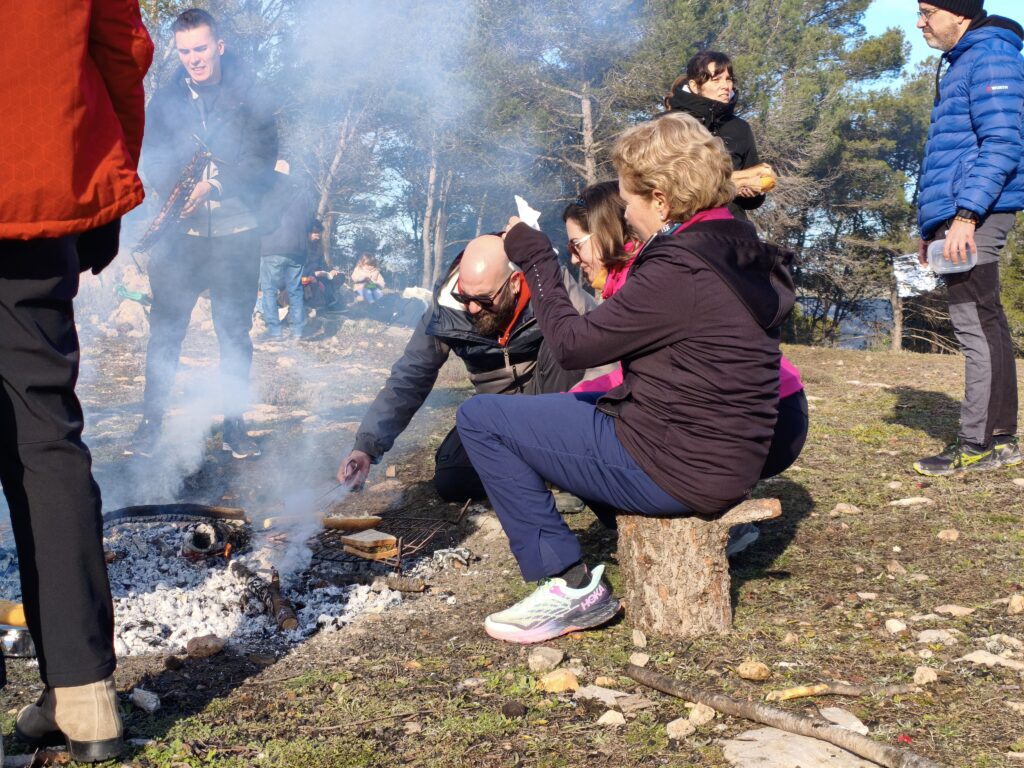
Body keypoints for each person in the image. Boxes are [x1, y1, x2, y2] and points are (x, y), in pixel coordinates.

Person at [455, 113, 795, 644]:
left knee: (481, 419)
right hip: (725, 455)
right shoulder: (734, 243)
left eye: (629, 198)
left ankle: (570, 588)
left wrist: (537, 258)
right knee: (576, 406)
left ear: (660, 200)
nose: (625, 212)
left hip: (679, 466)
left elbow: (572, 344)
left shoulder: (680, 269)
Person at [0, 2, 154, 761]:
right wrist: (107, 180)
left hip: (35, 194)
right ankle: (85, 696)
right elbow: (122, 47)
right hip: (32, 186)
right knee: (45, 440)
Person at [563, 181, 808, 555]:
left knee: (583, 430)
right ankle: (668, 526)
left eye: (576, 245)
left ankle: (696, 530)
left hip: (772, 417)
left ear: (608, 232)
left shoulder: (654, 276)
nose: (574, 259)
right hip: (777, 409)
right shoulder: (648, 271)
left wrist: (581, 397)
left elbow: (652, 373)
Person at [337, 234, 592, 502]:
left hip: (548, 398)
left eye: (482, 300)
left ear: (515, 284)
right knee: (453, 480)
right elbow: (410, 376)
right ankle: (536, 471)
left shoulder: (549, 286)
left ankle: (559, 466)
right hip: (496, 409)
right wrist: (366, 447)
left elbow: (603, 343)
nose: (470, 308)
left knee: (567, 341)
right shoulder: (447, 310)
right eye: (464, 295)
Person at [130, 8, 278, 460]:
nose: (194, 58)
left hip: (238, 232)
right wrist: (175, 191)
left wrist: (215, 184)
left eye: (201, 48)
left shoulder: (251, 94)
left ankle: (234, 426)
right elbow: (151, 155)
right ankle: (150, 425)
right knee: (165, 333)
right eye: (185, 51)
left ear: (219, 45)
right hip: (181, 235)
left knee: (233, 334)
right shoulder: (167, 100)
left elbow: (265, 159)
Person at [912, 0, 1024, 476]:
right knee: (988, 319)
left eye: (926, 11)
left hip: (976, 210)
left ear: (959, 14)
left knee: (972, 322)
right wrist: (931, 226)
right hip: (961, 211)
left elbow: (1004, 141)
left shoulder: (990, 56)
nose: (921, 23)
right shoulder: (969, 59)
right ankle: (1000, 440)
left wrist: (965, 215)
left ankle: (975, 443)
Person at [664, 51, 773, 220]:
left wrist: (756, 189)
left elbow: (752, 202)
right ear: (694, 85)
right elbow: (667, 185)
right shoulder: (669, 125)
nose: (726, 86)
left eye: (728, 79)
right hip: (681, 228)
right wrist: (736, 181)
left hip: (730, 231)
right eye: (716, 80)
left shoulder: (740, 128)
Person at [258, 160, 317, 341]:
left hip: (272, 245)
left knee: (269, 289)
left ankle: (274, 331)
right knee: (296, 290)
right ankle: (297, 332)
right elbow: (309, 222)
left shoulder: (269, 190)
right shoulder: (303, 193)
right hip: (297, 248)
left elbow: (262, 217)